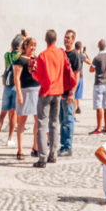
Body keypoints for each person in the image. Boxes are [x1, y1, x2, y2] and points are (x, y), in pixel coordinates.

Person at [33, 28, 74, 167]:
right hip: (58, 92)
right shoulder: (61, 53)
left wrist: (32, 72)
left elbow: (38, 76)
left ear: (46, 40)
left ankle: (42, 158)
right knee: (55, 123)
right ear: (56, 39)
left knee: (42, 125)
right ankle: (53, 155)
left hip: (46, 92)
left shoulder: (43, 55)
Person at [0, 32, 24, 148]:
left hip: (6, 87)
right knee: (13, 113)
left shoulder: (7, 55)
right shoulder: (20, 56)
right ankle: (9, 139)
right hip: (16, 87)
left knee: (2, 113)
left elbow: (10, 50)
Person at [13, 36, 40, 161]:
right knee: (22, 122)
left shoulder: (36, 59)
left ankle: (35, 146)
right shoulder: (20, 60)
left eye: (34, 45)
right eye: (31, 45)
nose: (33, 48)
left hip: (36, 91)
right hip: (25, 91)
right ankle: (20, 149)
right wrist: (19, 94)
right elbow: (16, 78)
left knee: (37, 120)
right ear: (25, 46)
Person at [59, 29, 81, 156]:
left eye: (68, 38)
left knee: (68, 119)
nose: (66, 39)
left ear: (73, 40)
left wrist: (72, 92)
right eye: (65, 37)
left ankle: (67, 147)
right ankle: (63, 146)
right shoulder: (62, 53)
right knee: (61, 119)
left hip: (68, 92)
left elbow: (76, 75)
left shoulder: (75, 55)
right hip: (60, 92)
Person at [90, 38, 106, 134]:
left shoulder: (97, 58)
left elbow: (91, 69)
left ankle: (98, 127)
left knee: (99, 106)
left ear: (98, 46)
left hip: (99, 83)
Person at [74, 40, 86, 113]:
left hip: (73, 77)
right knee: (76, 95)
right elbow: (89, 62)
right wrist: (85, 53)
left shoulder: (73, 54)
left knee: (75, 94)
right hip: (80, 76)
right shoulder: (81, 55)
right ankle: (74, 111)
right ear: (80, 47)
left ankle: (77, 108)